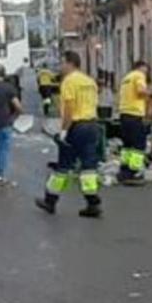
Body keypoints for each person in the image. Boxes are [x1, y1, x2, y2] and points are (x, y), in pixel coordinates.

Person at [36, 51, 103, 218]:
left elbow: (70, 109)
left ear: (70, 63)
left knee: (63, 166)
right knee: (89, 165)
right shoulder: (89, 81)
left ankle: (50, 201)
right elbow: (95, 103)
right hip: (92, 125)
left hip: (76, 126)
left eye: (62, 63)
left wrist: (64, 131)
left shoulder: (69, 81)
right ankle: (92, 201)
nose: (60, 67)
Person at [117, 61, 151, 185]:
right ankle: (134, 172)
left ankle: (124, 171)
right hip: (135, 114)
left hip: (124, 114)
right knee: (138, 145)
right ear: (140, 68)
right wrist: (149, 95)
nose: (146, 73)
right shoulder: (138, 75)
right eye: (145, 70)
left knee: (127, 145)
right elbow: (141, 91)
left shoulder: (126, 78)